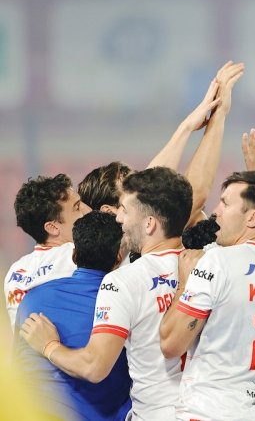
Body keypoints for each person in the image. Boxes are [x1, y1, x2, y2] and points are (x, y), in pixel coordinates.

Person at [20, 166, 194, 420]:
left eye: (125, 210)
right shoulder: (209, 265)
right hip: (208, 410)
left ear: (149, 224)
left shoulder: (122, 281)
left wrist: (49, 346)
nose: (119, 219)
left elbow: (94, 367)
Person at [159, 170, 255, 420]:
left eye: (225, 203)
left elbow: (171, 344)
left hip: (207, 412)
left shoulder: (217, 260)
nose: (216, 211)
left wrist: (183, 284)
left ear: (253, 218)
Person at [15, 211, 131, 420]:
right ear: (118, 259)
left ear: (74, 255)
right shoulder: (126, 302)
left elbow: (18, 366)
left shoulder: (32, 299)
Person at [6, 174, 90, 330]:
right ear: (52, 227)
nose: (84, 212)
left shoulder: (14, 271)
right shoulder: (76, 255)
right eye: (77, 207)